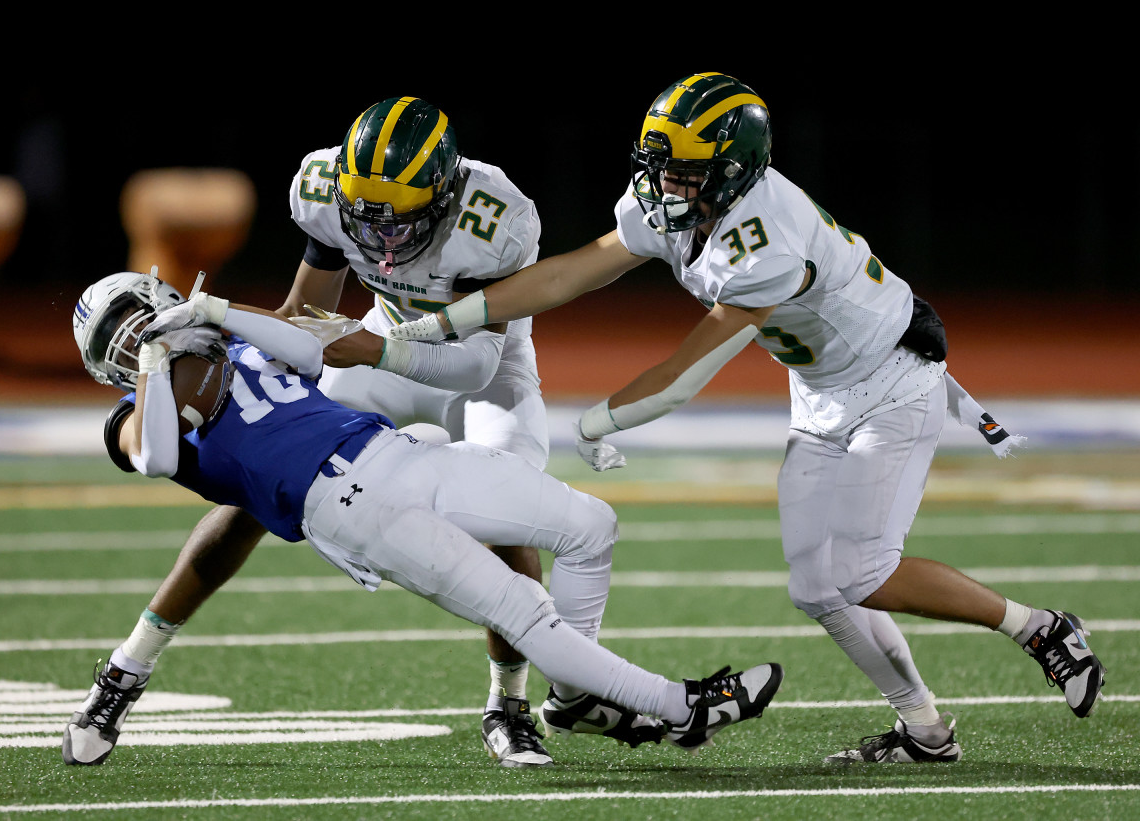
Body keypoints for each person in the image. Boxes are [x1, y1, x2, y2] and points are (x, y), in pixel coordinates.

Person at [387, 72, 1107, 763]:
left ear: (737, 167)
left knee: (860, 570)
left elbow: (682, 376)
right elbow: (572, 271)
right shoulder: (681, 204)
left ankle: (1038, 629)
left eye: (688, 171)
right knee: (817, 587)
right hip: (821, 386)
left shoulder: (765, 238)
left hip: (894, 381)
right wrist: (440, 324)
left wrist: (595, 422)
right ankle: (924, 727)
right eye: (660, 166)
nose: (668, 184)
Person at [70, 96, 606, 769]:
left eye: (400, 218)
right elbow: (306, 310)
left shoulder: (494, 216)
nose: (382, 239)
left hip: (477, 362)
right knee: (258, 477)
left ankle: (509, 703)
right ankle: (127, 670)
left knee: (510, 519)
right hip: (377, 340)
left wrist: (369, 349)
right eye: (366, 218)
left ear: (443, 194)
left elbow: (474, 363)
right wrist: (229, 331)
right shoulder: (323, 186)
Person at [61, 269, 784, 766]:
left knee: (592, 525)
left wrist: (218, 314)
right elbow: (156, 454)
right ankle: (679, 705)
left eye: (139, 318)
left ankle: (573, 698)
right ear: (108, 368)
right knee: (527, 613)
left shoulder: (240, 343)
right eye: (118, 338)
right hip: (349, 507)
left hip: (399, 454)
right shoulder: (133, 417)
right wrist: (155, 361)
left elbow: (309, 348)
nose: (135, 335)